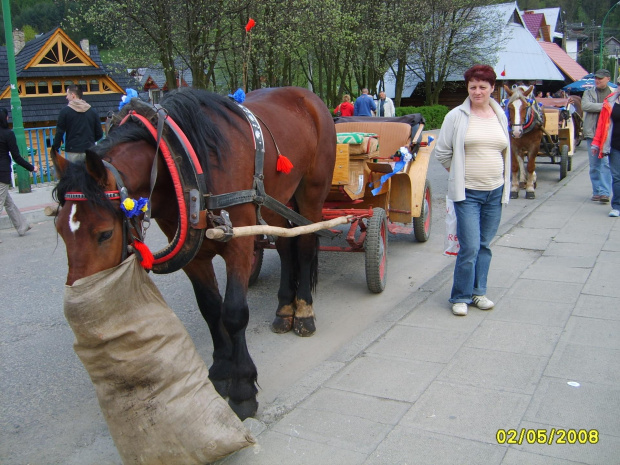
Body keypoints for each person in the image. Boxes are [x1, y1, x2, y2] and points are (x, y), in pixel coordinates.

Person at [433, 64, 511, 316]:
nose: (477, 91)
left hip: (494, 191)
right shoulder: (456, 116)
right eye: (473, 87)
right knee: (469, 247)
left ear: (492, 88)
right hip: (467, 193)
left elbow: (503, 149)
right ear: (468, 88)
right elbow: (443, 152)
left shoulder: (500, 115)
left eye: (482, 87)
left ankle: (479, 292)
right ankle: (460, 296)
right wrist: (458, 175)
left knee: (485, 245)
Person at [0, 108, 38, 241]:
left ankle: (22, 226)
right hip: (2, 173)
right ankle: (22, 226)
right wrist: (31, 167)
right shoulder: (8, 134)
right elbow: (16, 157)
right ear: (4, 119)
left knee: (8, 203)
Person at [589, 76, 620, 217]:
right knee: (617, 176)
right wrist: (596, 142)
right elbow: (602, 125)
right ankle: (617, 206)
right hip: (614, 145)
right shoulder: (610, 102)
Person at [582, 69, 613, 204]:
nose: (597, 80)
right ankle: (596, 191)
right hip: (592, 133)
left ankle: (605, 193)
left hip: (608, 133)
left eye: (600, 78)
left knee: (606, 164)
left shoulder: (613, 93)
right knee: (594, 165)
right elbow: (586, 106)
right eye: (596, 78)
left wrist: (605, 107)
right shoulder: (588, 92)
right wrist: (606, 106)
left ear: (608, 78)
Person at [52, 85, 103, 162]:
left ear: (73, 95)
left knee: (75, 173)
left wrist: (55, 149)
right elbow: (99, 133)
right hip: (90, 150)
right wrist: (90, 141)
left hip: (73, 150)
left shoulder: (65, 112)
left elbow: (59, 132)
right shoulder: (92, 111)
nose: (66, 97)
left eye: (67, 94)